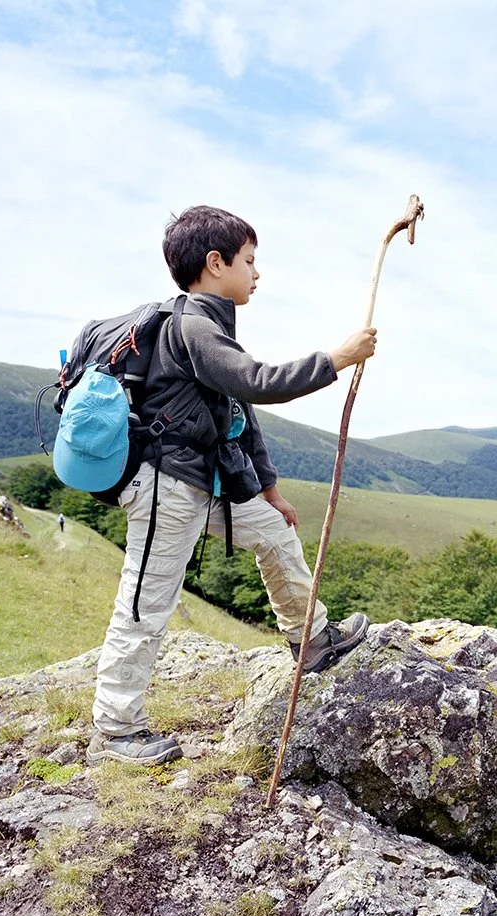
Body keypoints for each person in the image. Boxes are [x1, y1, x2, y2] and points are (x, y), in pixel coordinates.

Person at [86, 205, 378, 768]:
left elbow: (237, 409)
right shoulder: (194, 323)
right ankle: (116, 730)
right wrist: (337, 358)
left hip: (203, 482)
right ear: (215, 263)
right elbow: (257, 383)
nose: (257, 273)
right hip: (168, 488)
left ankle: (311, 641)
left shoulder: (211, 324)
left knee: (273, 531)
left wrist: (266, 488)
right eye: (249, 261)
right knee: (145, 603)